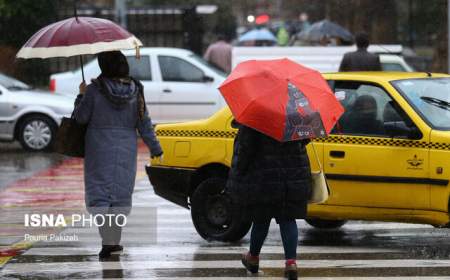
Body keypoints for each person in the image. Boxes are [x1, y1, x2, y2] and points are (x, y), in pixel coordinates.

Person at [73, 51, 163, 259]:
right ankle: (114, 242)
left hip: (99, 149)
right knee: (121, 195)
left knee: (100, 195)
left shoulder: (94, 90)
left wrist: (81, 95)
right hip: (126, 149)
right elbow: (144, 122)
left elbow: (80, 118)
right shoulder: (136, 90)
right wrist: (155, 147)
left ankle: (108, 242)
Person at [227, 121, 312, 280]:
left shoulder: (255, 118)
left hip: (263, 177)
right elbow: (305, 139)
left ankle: (253, 258)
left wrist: (237, 173)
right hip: (291, 177)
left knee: (260, 219)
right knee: (288, 219)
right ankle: (291, 263)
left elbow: (244, 150)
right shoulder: (295, 116)